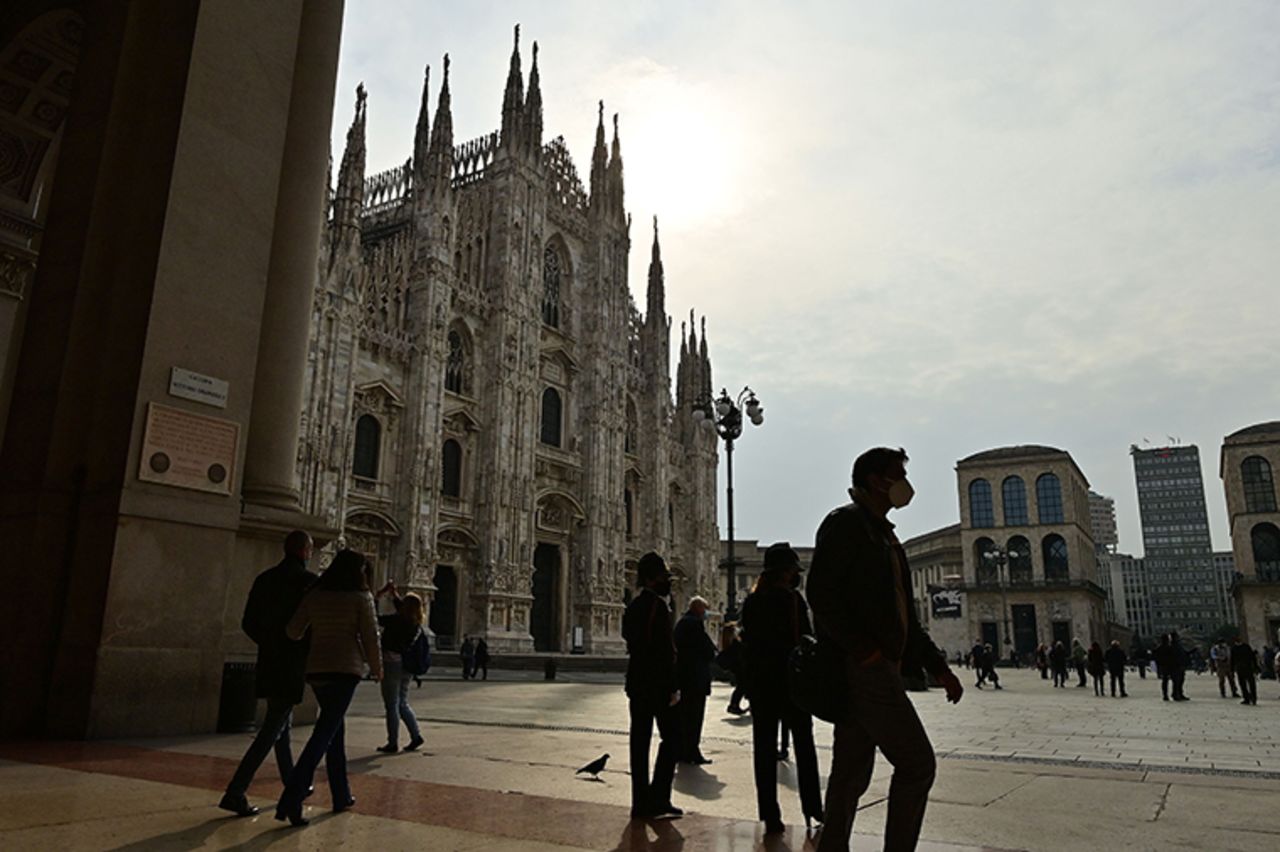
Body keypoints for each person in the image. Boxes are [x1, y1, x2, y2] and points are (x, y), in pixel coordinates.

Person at [806, 447, 963, 852]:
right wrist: (864, 651)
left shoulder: (885, 534)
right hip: (865, 670)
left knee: (850, 772)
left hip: (878, 665)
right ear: (877, 480)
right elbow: (821, 595)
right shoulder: (846, 524)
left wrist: (938, 668)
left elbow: (903, 613)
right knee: (917, 764)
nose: (905, 483)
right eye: (898, 474)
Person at [273, 550, 382, 826]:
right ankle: (291, 797)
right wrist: (377, 668)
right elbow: (370, 636)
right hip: (345, 671)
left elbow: (293, 631)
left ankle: (341, 795)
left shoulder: (315, 593)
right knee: (323, 734)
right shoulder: (361, 597)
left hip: (317, 670)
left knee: (334, 731)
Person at [219, 530, 316, 817]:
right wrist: (298, 647)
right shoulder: (308, 583)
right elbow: (313, 626)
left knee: (280, 724)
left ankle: (292, 782)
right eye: (310, 549)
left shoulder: (264, 579)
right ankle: (236, 791)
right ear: (305, 551)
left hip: (269, 660)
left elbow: (248, 622)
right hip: (292, 663)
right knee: (271, 730)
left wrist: (269, 642)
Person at [741, 543, 823, 835]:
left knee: (763, 751)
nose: (794, 576)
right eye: (791, 571)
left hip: (763, 686)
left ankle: (770, 815)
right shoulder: (792, 601)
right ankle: (813, 808)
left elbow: (747, 643)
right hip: (791, 685)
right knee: (805, 747)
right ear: (784, 573)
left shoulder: (752, 602)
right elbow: (807, 641)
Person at [622, 552, 683, 820]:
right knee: (672, 738)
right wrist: (672, 686)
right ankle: (658, 797)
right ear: (650, 578)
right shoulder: (657, 607)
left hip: (637, 683)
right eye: (663, 576)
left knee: (639, 742)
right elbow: (664, 652)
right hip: (656, 686)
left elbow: (631, 640)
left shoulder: (634, 605)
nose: (667, 580)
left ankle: (640, 803)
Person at [373, 581, 425, 753]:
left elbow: (374, 617)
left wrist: (378, 596)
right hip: (406, 665)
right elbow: (402, 607)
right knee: (402, 702)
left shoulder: (396, 620)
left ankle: (392, 742)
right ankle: (416, 736)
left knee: (391, 704)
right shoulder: (414, 622)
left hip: (391, 663)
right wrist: (394, 595)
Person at [673, 595, 717, 765]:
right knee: (695, 716)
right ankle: (692, 751)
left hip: (684, 676)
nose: (706, 613)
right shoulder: (694, 624)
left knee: (684, 715)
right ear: (698, 609)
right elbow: (707, 650)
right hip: (695, 677)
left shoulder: (682, 622)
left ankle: (683, 751)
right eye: (705, 609)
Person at [717, 623, 748, 715]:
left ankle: (734, 705)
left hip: (736, 668)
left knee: (741, 687)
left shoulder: (729, 643)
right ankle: (734, 705)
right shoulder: (735, 643)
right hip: (739, 668)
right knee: (741, 687)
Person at [1231, 636, 1259, 706]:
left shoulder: (1234, 648)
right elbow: (1253, 657)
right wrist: (1256, 667)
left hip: (1242, 668)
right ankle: (1252, 698)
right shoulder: (1246, 647)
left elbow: (1232, 660)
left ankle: (1248, 698)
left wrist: (1232, 670)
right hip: (1246, 668)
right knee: (1249, 684)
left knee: (1245, 684)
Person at [1170, 631, 1190, 701]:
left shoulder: (1178, 645)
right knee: (1176, 681)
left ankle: (1180, 693)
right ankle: (1175, 694)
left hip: (1180, 665)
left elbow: (1184, 653)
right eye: (1177, 636)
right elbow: (1174, 656)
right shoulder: (1172, 646)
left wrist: (1192, 651)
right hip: (1175, 666)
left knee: (1181, 680)